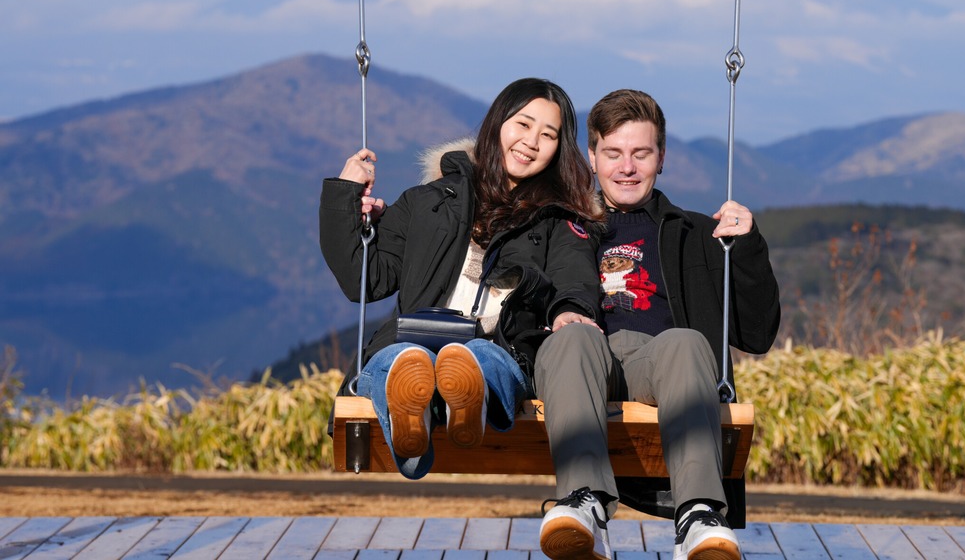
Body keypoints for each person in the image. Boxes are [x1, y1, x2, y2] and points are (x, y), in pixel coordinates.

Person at [536, 89, 781, 560]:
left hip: (662, 366)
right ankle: (583, 503)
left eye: (641, 153)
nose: (627, 167)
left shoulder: (697, 234)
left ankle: (699, 516)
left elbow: (757, 333)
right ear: (592, 157)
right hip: (579, 362)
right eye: (613, 153)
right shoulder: (560, 228)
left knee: (686, 342)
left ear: (661, 157)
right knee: (576, 336)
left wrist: (748, 249)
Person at [320, 78, 604, 479]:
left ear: (559, 148)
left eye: (548, 135)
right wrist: (345, 195)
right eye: (523, 124)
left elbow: (573, 276)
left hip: (498, 347)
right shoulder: (428, 203)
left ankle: (465, 403)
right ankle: (413, 427)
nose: (531, 142)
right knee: (396, 361)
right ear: (497, 124)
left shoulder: (558, 221)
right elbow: (363, 280)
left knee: (482, 359)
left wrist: (570, 311)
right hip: (413, 341)